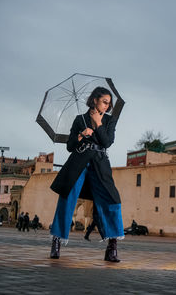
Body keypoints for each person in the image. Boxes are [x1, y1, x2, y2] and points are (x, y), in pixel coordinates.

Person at [50, 86, 124, 262]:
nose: (107, 106)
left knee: (111, 200)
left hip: (100, 164)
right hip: (78, 163)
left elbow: (107, 142)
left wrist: (98, 124)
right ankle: (56, 242)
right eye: (104, 102)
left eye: (109, 103)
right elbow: (69, 146)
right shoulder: (79, 119)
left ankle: (112, 247)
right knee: (66, 199)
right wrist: (81, 135)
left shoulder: (109, 120)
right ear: (95, 100)